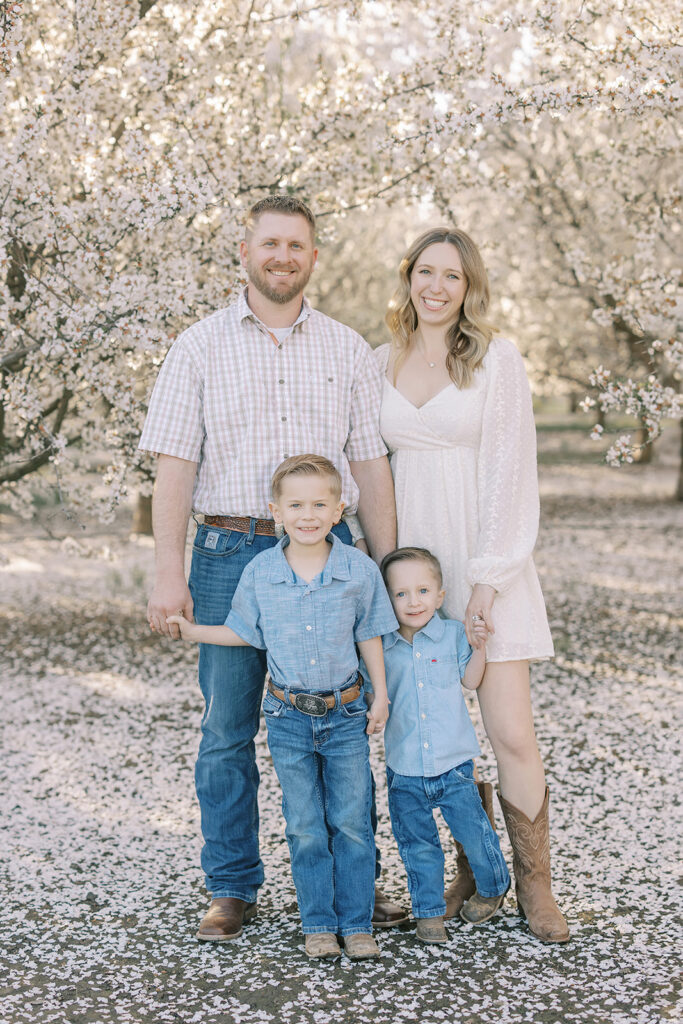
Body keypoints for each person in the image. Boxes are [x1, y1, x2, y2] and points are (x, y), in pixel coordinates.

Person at [139, 194, 404, 942]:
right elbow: (173, 465)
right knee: (227, 729)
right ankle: (231, 885)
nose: (283, 256)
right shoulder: (197, 346)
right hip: (227, 553)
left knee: (343, 722)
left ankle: (357, 882)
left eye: (297, 245)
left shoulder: (347, 349)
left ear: (313, 257)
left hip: (332, 556)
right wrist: (168, 570)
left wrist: (382, 566)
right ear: (245, 251)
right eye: (270, 244)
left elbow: (369, 466)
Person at [375, 227, 570, 943]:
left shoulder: (496, 361)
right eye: (424, 272)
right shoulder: (378, 362)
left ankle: (535, 887)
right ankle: (471, 867)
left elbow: (511, 473)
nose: (435, 287)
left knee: (510, 732)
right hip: (414, 573)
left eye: (451, 276)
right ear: (408, 278)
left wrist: (488, 581)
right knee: (440, 738)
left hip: (488, 558)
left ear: (468, 287)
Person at [168, 455, 398, 960]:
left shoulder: (357, 570)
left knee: (352, 820)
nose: (308, 515)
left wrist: (380, 695)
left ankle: (357, 924)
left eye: (320, 504)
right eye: (296, 505)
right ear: (276, 511)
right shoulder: (261, 571)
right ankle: (318, 923)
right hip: (289, 719)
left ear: (340, 510)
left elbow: (372, 635)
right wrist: (192, 632)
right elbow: (241, 633)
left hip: (345, 715)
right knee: (305, 824)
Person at [366, 547, 510, 944]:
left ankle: (494, 885)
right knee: (417, 846)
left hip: (454, 763)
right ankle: (429, 914)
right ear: (387, 598)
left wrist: (479, 647)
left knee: (475, 832)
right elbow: (373, 694)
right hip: (405, 767)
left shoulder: (450, 635)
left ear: (440, 596)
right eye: (401, 594)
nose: (414, 602)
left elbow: (471, 680)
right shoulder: (380, 647)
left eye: (423, 591)